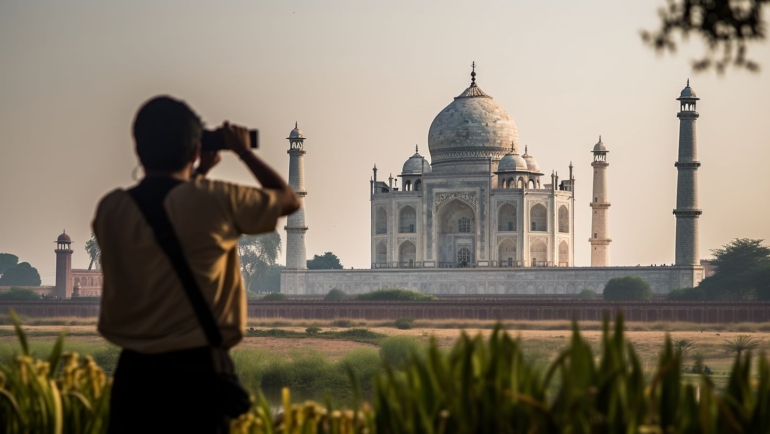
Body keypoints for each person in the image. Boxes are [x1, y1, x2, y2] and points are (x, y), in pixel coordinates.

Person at [92, 95, 299, 433]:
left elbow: (165, 209)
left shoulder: (111, 209)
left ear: (138, 150)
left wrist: (198, 170)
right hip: (198, 375)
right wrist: (243, 151)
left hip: (134, 377)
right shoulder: (214, 199)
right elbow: (288, 200)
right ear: (193, 149)